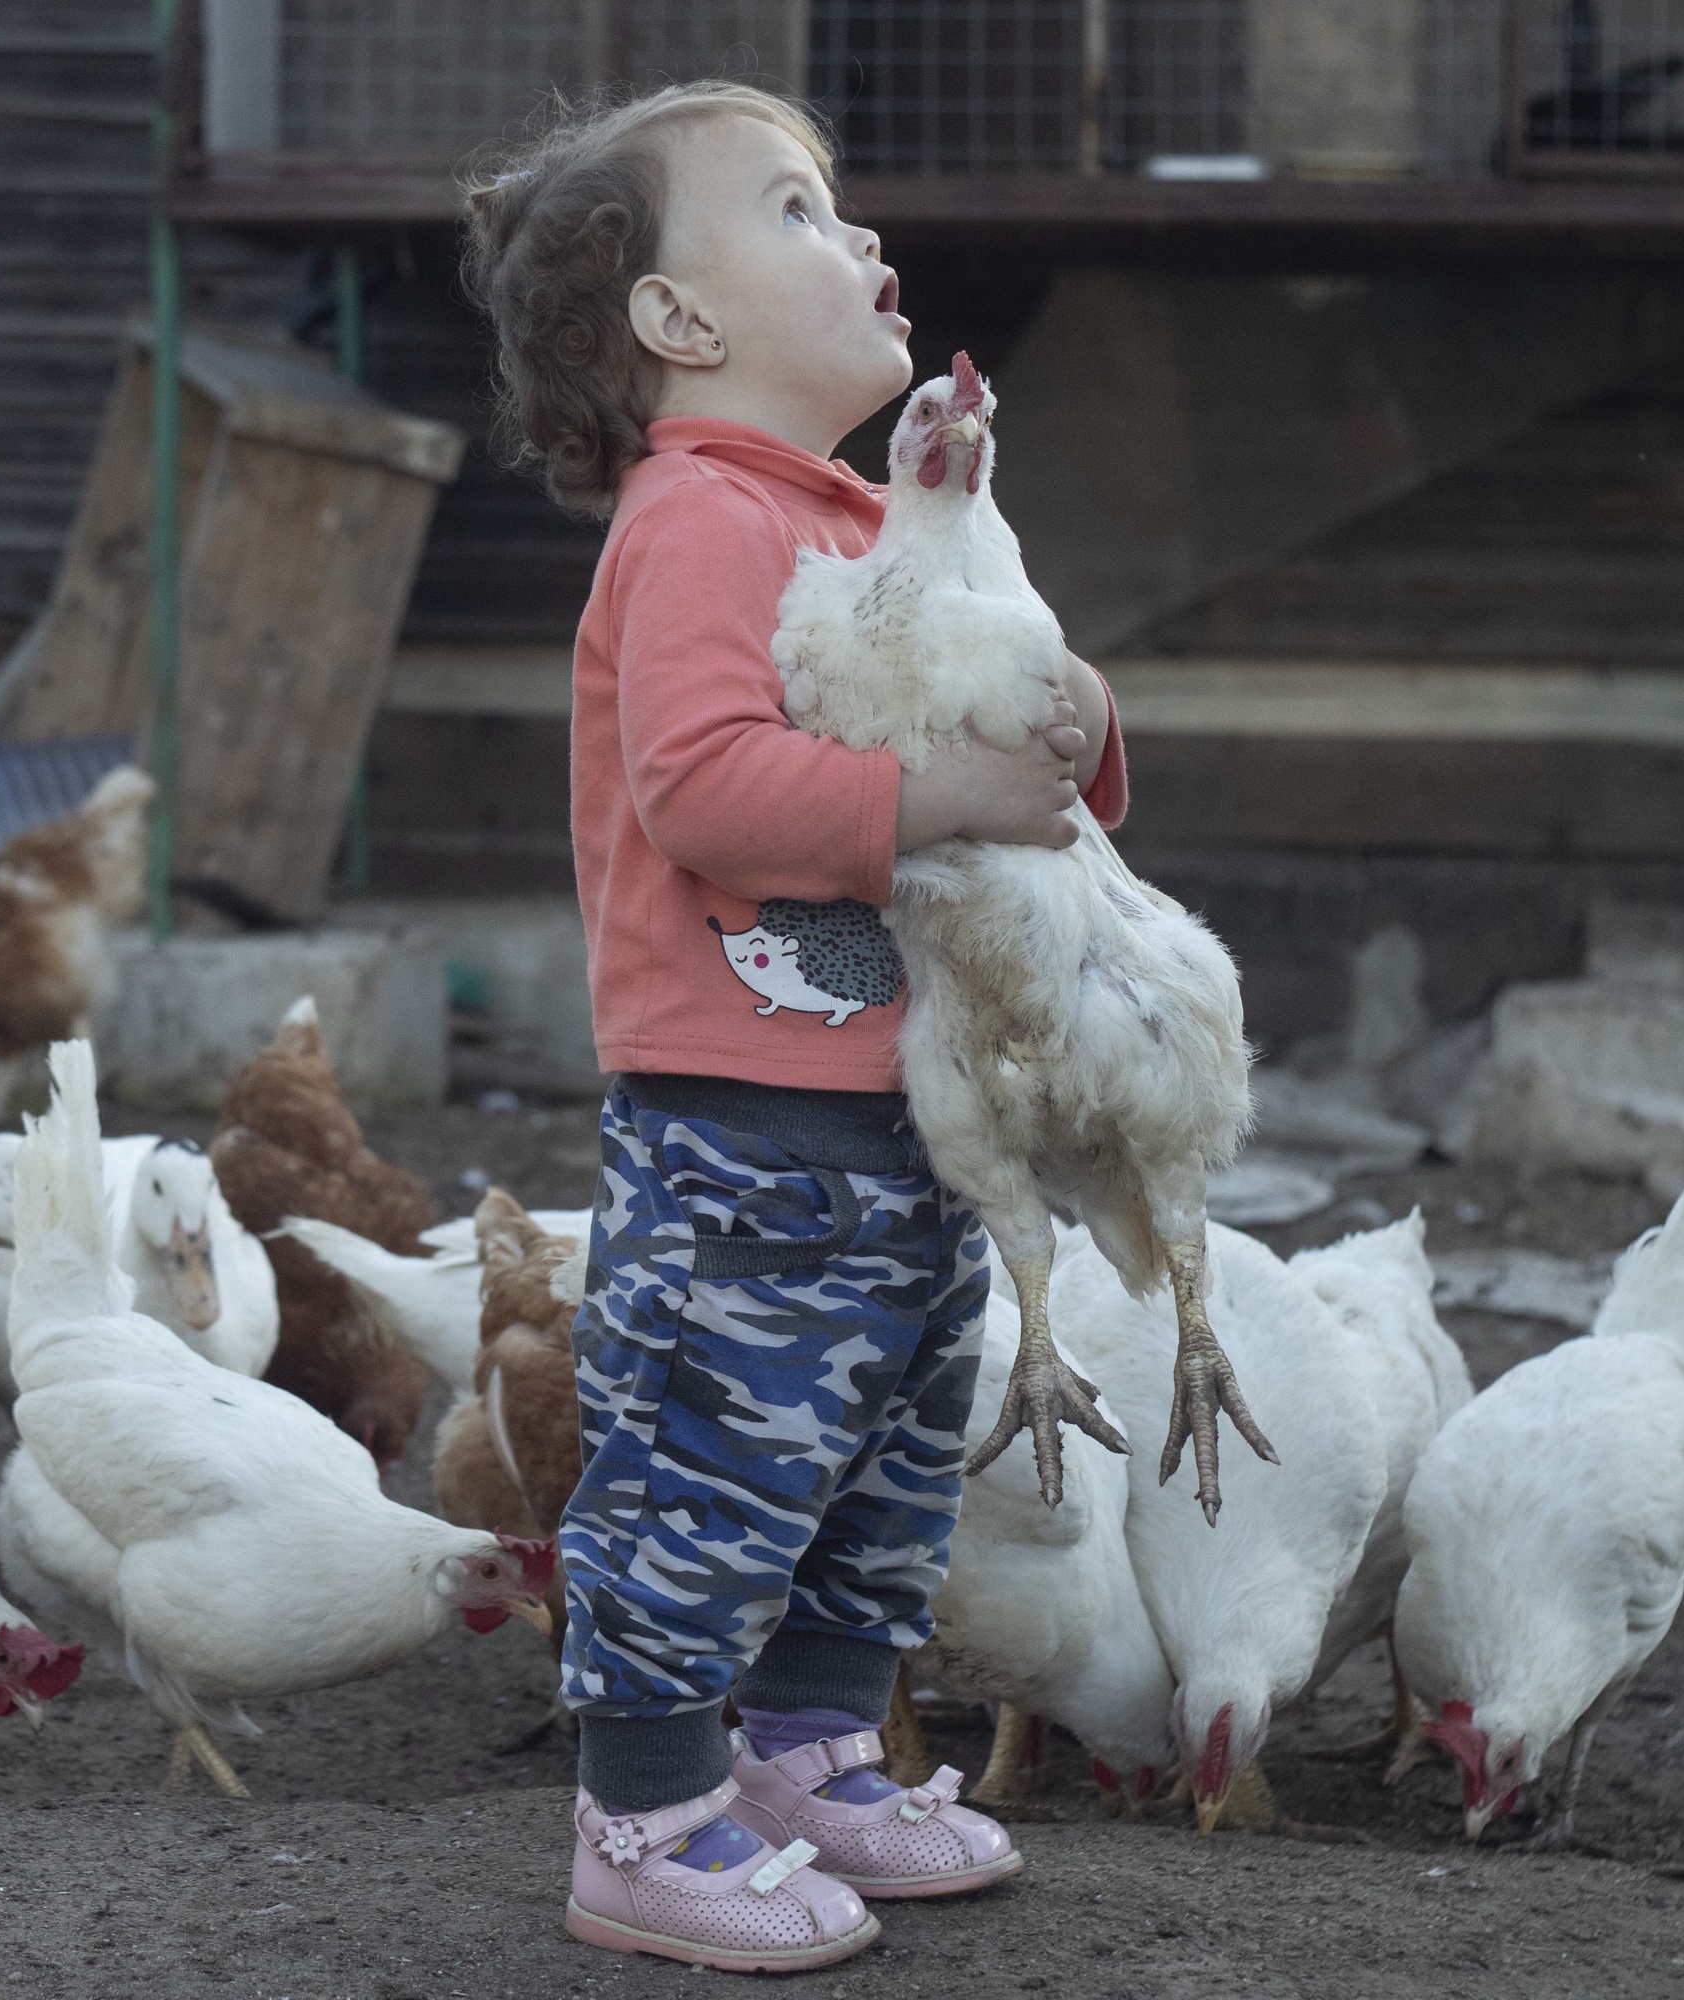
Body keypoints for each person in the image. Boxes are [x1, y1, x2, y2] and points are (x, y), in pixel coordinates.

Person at [461, 81, 1129, 1973]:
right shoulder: (696, 523)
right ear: (679, 324)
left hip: (913, 1120)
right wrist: (948, 798)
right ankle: (644, 1816)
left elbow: (993, 740)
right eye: (797, 208)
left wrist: (1071, 728)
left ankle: (813, 1754)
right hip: (744, 1129)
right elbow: (704, 788)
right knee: (707, 1480)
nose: (859, 238)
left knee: (890, 1471)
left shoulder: (870, 509)